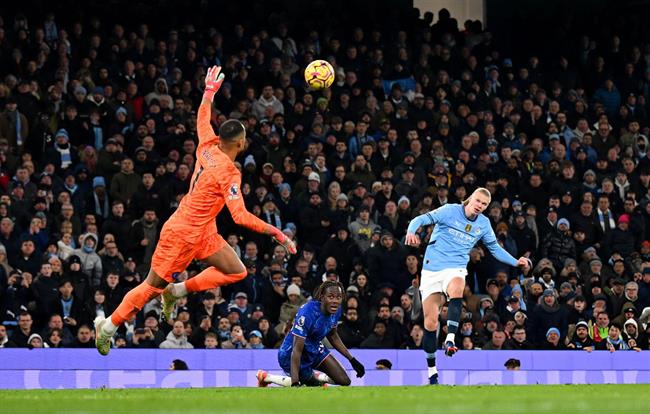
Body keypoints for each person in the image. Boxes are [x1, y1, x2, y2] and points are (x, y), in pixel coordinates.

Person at [94, 66, 296, 355]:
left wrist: (209, 91)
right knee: (150, 287)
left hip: (203, 230)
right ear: (240, 143)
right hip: (180, 234)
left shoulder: (207, 145)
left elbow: (202, 117)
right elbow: (240, 217)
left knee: (237, 271)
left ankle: (178, 290)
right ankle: (109, 327)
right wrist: (279, 234)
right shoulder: (229, 173)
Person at [404, 187, 531, 384]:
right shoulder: (449, 210)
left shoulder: (483, 224)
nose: (480, 206)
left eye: (484, 204)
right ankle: (431, 370)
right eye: (478, 201)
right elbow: (421, 219)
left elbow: (495, 249)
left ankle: (450, 339)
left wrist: (516, 262)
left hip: (455, 267)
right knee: (430, 322)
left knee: (457, 288)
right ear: (470, 199)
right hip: (432, 270)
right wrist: (412, 231)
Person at [256, 281, 365, 387]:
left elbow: (332, 335)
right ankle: (266, 377)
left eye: (338, 297)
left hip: (314, 347)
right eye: (331, 297)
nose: (335, 301)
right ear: (322, 297)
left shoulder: (336, 310)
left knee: (345, 381)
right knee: (311, 384)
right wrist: (295, 383)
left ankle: (317, 377)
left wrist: (352, 360)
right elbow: (296, 350)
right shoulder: (307, 313)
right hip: (291, 354)